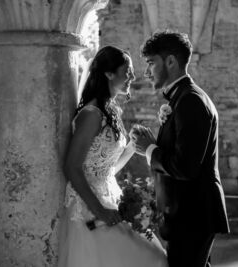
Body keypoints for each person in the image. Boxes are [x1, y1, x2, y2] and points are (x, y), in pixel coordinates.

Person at [58, 45, 168, 267]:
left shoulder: (111, 111)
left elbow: (107, 169)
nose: (132, 77)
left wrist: (131, 147)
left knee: (153, 257)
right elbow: (72, 167)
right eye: (126, 71)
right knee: (149, 259)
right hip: (89, 209)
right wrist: (100, 210)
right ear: (108, 74)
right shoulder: (91, 114)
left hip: (111, 200)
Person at [132, 30, 230, 267]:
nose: (146, 72)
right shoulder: (182, 98)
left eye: (151, 63)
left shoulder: (190, 101)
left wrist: (150, 150)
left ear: (171, 61)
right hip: (188, 215)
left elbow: (185, 167)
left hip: (192, 217)